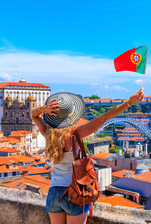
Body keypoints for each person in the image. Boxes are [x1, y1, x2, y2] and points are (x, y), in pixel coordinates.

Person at [31, 88, 144, 224]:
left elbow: (34, 115)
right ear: (70, 116)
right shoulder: (75, 134)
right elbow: (104, 117)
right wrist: (129, 102)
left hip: (53, 194)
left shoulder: (48, 133)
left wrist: (44, 109)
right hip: (74, 193)